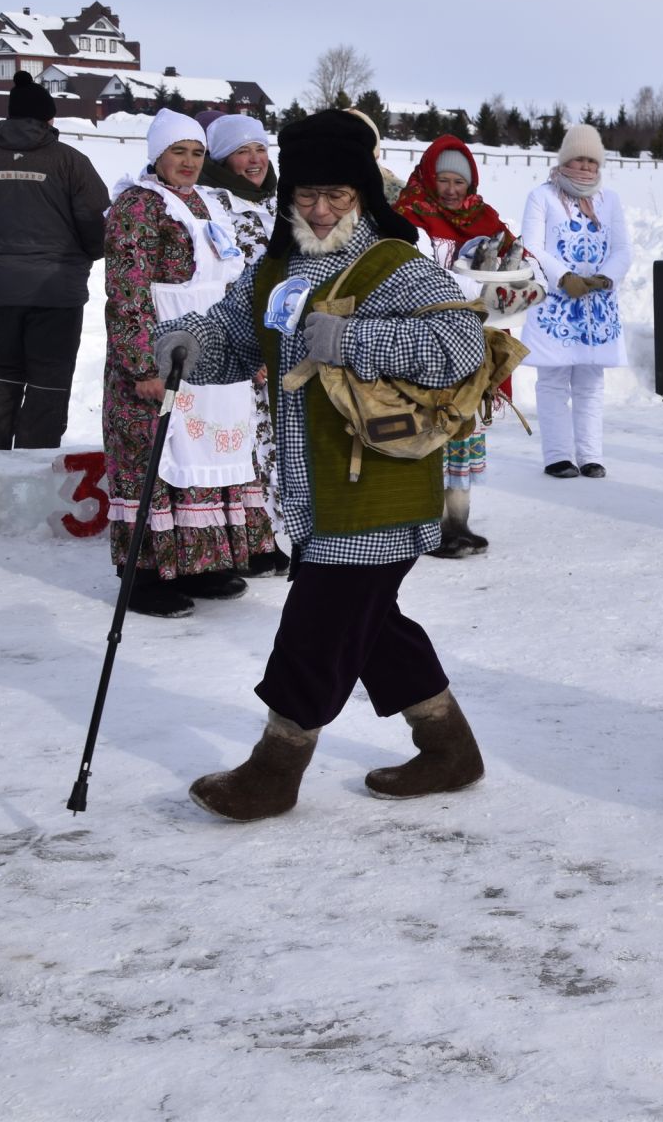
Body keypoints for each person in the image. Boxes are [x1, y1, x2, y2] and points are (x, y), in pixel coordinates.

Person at [151, 109, 489, 821]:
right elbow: (237, 339)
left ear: (364, 193)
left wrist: (356, 339)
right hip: (311, 488)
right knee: (371, 626)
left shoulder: (395, 267)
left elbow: (462, 350)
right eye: (306, 195)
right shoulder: (278, 268)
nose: (321, 208)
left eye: (337, 194)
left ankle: (276, 768)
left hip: (381, 484)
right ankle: (449, 747)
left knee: (318, 627)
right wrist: (187, 342)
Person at [101, 109, 279, 618]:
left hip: (212, 356)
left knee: (205, 460)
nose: (188, 162)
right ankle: (142, 577)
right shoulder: (138, 207)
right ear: (156, 154)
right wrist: (142, 366)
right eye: (178, 151)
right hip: (160, 352)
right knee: (153, 464)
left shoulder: (205, 204)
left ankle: (199, 563)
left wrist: (250, 351)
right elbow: (127, 293)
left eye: (197, 152)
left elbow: (233, 286)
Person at [395, 134, 545, 555]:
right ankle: (427, 526)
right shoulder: (407, 216)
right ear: (428, 177)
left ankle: (457, 522)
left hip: (474, 342)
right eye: (442, 180)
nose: (450, 189)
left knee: (463, 428)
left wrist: (520, 288)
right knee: (430, 429)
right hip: (427, 341)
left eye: (459, 182)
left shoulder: (485, 219)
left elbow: (523, 262)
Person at [0, 72, 108, 449]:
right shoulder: (70, 160)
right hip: (59, 290)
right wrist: (82, 255)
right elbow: (96, 221)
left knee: (2, 372)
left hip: (2, 287)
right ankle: (33, 463)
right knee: (49, 377)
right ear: (49, 119)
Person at [200, 112, 291, 576]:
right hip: (244, 347)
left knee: (279, 443)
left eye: (260, 149)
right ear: (221, 158)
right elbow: (220, 280)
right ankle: (251, 541)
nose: (255, 160)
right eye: (242, 151)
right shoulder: (212, 205)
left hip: (287, 342)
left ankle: (278, 535)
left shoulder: (280, 201)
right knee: (243, 445)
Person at [521, 124, 629, 479]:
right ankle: (557, 456)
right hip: (556, 302)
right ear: (565, 160)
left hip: (596, 306)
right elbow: (533, 247)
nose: (585, 166)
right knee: (552, 381)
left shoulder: (609, 199)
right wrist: (564, 277)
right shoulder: (543, 196)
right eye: (578, 159)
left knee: (590, 382)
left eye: (591, 160)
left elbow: (622, 249)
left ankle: (591, 456)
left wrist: (606, 277)